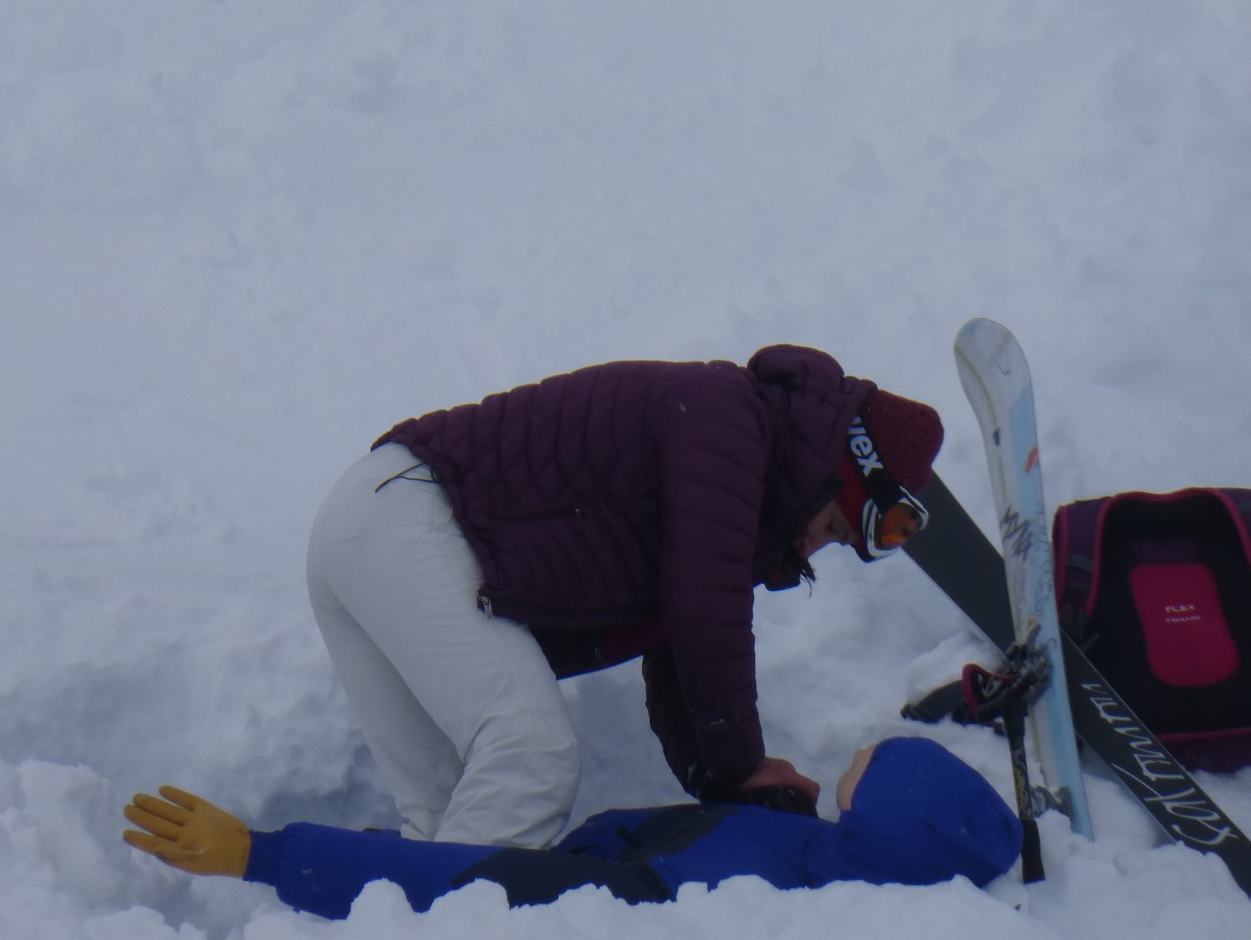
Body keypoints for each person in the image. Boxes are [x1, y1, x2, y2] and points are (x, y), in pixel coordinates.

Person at [305, 345, 944, 847]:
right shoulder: (728, 419)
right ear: (841, 464)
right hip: (408, 520)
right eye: (831, 526)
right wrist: (742, 762)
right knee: (530, 755)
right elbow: (704, 612)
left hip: (370, 533)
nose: (814, 548)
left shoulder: (738, 491)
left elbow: (677, 645)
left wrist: (715, 774)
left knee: (446, 819)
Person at [122, 736, 1021, 919]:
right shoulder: (814, 857)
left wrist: (270, 856)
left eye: (855, 778)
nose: (830, 773)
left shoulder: (723, 885)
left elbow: (491, 886)